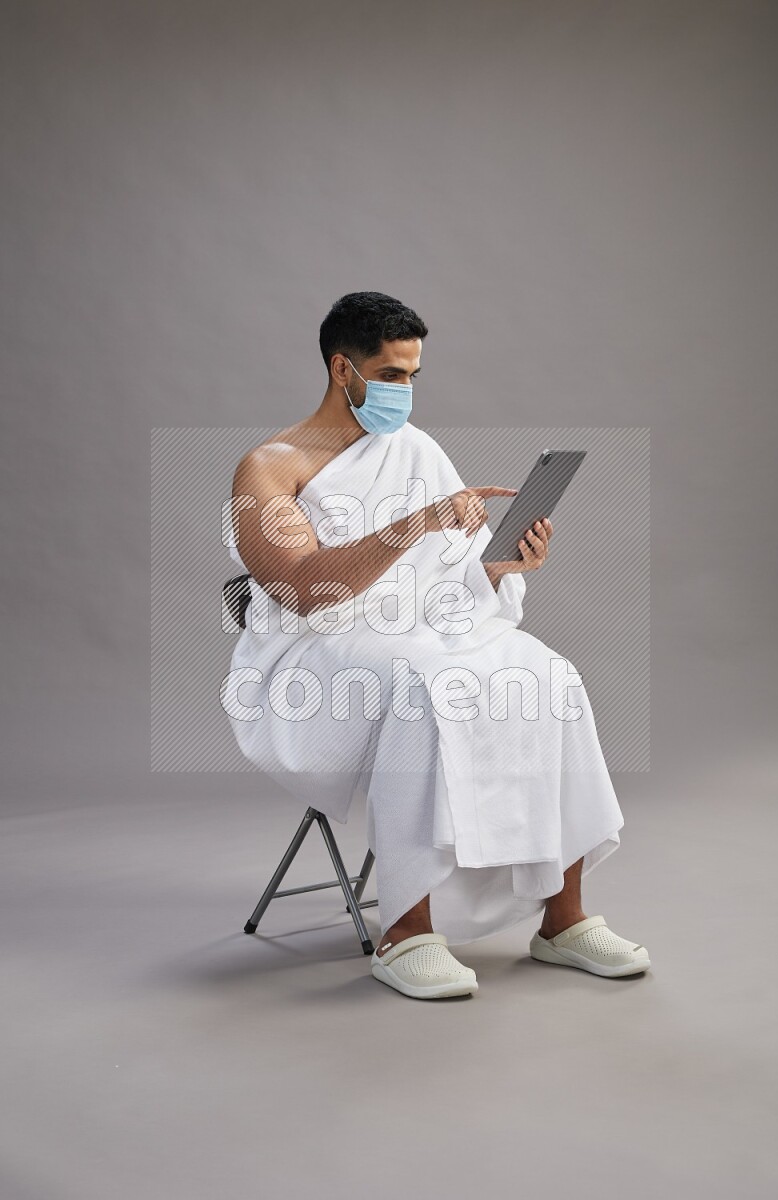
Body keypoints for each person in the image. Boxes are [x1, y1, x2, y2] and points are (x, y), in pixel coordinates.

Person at [222, 291, 650, 1000]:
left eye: (414, 375)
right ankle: (407, 931)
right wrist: (414, 525)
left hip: (422, 629)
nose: (405, 392)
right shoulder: (269, 467)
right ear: (341, 370)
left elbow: (445, 577)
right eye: (391, 375)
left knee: (549, 674)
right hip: (314, 653)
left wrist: (505, 565)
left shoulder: (412, 449)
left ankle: (564, 920)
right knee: (425, 684)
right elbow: (301, 590)